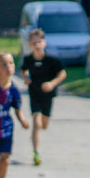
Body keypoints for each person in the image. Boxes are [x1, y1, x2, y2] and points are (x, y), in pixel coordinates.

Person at [20, 28, 66, 165]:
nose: (37, 45)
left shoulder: (51, 60)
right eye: (34, 43)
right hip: (34, 93)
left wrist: (52, 84)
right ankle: (36, 152)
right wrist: (26, 78)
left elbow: (62, 74)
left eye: (39, 42)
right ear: (30, 44)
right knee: (36, 121)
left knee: (44, 124)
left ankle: (43, 123)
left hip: (48, 95)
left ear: (44, 43)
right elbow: (23, 70)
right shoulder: (28, 59)